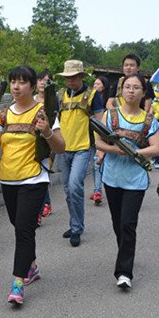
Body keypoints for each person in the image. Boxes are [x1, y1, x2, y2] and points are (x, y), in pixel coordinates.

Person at [0, 65, 66, 305]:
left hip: (34, 179)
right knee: (19, 226)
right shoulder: (3, 114)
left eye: (22, 82)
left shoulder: (44, 113)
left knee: (23, 229)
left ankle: (18, 283)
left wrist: (48, 133)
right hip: (8, 180)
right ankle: (31, 266)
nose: (16, 86)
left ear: (33, 86)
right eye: (13, 82)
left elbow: (61, 147)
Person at [95, 73, 159, 289]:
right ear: (121, 90)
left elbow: (156, 148)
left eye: (136, 88)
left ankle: (124, 272)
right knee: (117, 222)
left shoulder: (149, 120)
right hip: (112, 177)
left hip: (136, 180)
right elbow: (98, 142)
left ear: (143, 93)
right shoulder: (110, 115)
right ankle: (126, 251)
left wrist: (135, 152)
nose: (131, 91)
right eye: (127, 87)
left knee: (127, 224)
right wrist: (117, 150)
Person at [56, 60, 105, 246]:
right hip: (64, 148)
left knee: (75, 186)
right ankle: (75, 223)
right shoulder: (60, 96)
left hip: (83, 148)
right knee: (68, 190)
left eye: (74, 76)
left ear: (81, 76)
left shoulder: (93, 95)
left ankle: (77, 228)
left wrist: (101, 148)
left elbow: (100, 124)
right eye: (68, 77)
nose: (70, 80)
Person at [34, 69, 55, 222]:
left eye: (46, 80)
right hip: (32, 142)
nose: (42, 83)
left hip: (48, 140)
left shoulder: (53, 100)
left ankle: (41, 207)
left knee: (43, 173)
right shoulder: (30, 99)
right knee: (37, 174)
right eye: (40, 79)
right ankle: (40, 208)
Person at [90, 76, 107, 205]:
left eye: (98, 84)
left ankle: (98, 190)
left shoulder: (107, 100)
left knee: (98, 165)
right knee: (96, 165)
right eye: (94, 84)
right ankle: (97, 190)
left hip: (102, 135)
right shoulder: (89, 97)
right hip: (89, 136)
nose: (96, 86)